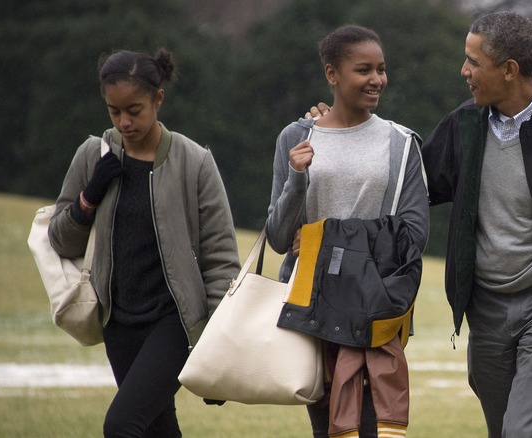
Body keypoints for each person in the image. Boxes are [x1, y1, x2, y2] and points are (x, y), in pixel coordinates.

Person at [307, 10, 532, 438]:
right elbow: (407, 190)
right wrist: (336, 132)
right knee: (503, 430)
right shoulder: (464, 126)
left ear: (509, 70)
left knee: (524, 432)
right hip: (487, 310)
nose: (464, 71)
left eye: (473, 62)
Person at [48, 48, 241, 437]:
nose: (124, 122)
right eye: (114, 111)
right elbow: (61, 241)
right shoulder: (92, 155)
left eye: (134, 110)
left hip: (175, 324)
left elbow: (221, 260)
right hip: (117, 323)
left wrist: (214, 347)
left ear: (158, 99)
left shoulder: (195, 162)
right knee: (157, 429)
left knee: (122, 425)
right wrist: (90, 196)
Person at [266, 25, 429, 438]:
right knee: (327, 429)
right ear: (332, 74)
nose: (376, 80)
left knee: (373, 427)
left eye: (381, 69)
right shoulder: (295, 137)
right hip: (310, 305)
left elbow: (413, 235)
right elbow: (280, 238)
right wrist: (297, 179)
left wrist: (322, 240)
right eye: (363, 70)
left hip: (374, 305)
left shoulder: (402, 143)